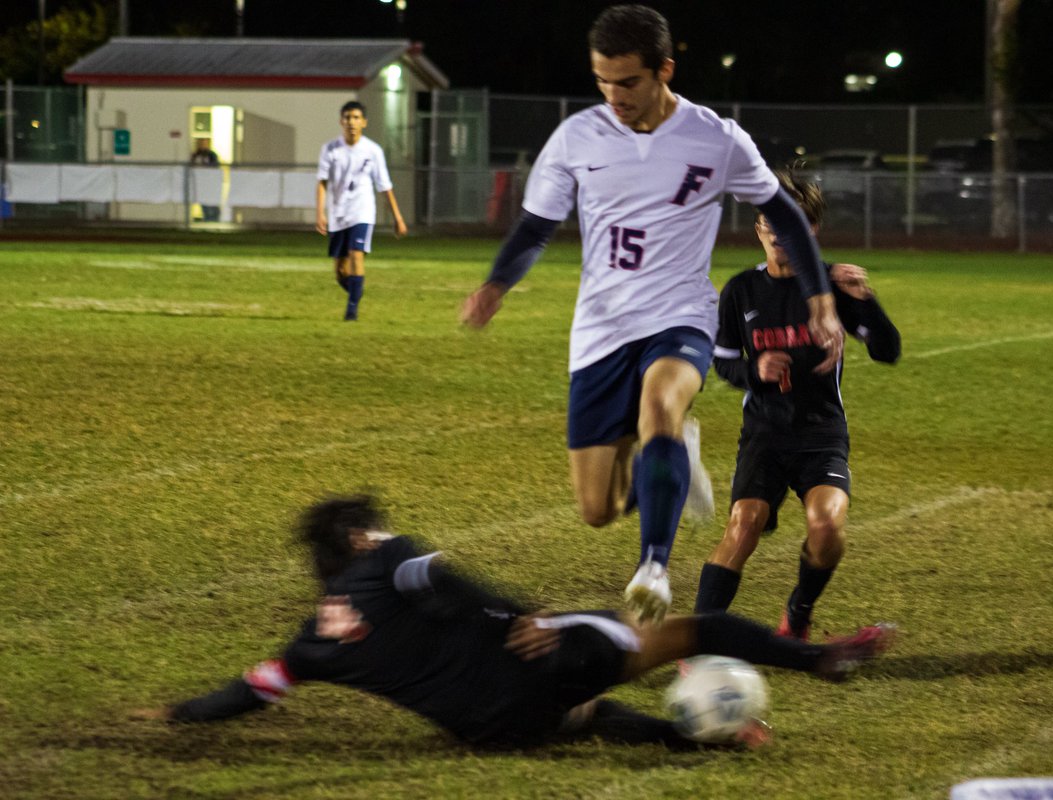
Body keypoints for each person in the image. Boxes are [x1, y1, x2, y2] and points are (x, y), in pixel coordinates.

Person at [460, 5, 845, 622]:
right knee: (598, 508)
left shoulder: (715, 138)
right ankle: (675, 460)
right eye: (602, 81)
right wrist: (496, 284)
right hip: (600, 330)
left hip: (679, 315)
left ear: (664, 70)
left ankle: (654, 569)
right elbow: (534, 227)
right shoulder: (577, 138)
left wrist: (821, 299)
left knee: (661, 403)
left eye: (628, 82)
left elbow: (786, 214)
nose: (614, 95)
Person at [135, 495, 896, 749]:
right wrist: (521, 614)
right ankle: (821, 659)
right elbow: (442, 577)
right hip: (540, 664)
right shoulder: (384, 556)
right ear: (359, 537)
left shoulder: (308, 645)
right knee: (695, 632)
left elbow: (253, 690)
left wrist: (178, 712)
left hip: (494, 731)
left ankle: (692, 739)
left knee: (586, 716)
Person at [693, 172, 901, 641]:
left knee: (826, 527)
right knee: (744, 525)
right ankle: (697, 639)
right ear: (758, 229)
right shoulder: (742, 290)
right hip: (765, 434)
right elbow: (722, 361)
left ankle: (798, 616)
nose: (778, 234)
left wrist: (866, 302)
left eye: (792, 224)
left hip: (820, 434)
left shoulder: (831, 287)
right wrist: (755, 369)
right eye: (771, 223)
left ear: (812, 230)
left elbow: (888, 351)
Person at [316, 101, 407, 321]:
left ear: (364, 122)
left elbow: (385, 186)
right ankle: (356, 292)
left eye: (356, 118)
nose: (351, 122)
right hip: (338, 214)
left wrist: (398, 218)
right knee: (340, 272)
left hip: (362, 212)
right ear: (341, 121)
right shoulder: (330, 149)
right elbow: (322, 182)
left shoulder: (373, 151)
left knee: (356, 255)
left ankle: (351, 311)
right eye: (347, 117)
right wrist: (320, 213)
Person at [189, 137, 220, 222]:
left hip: (210, 182)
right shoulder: (195, 155)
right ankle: (207, 218)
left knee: (212, 203)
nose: (203, 145)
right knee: (203, 202)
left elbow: (216, 167)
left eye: (205, 143)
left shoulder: (212, 155)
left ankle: (214, 219)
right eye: (202, 143)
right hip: (200, 183)